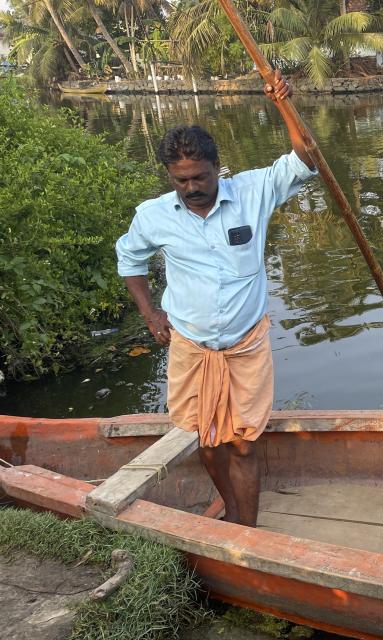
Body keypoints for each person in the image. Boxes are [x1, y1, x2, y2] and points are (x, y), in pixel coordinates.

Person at [115, 71, 316, 527]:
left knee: (243, 443)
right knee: (206, 442)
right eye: (180, 180)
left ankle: (247, 530)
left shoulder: (252, 192)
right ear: (170, 176)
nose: (191, 188)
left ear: (217, 168)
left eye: (200, 177)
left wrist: (284, 104)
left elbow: (307, 157)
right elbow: (129, 259)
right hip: (191, 344)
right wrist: (151, 313)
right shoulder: (153, 216)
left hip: (245, 343)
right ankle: (233, 512)